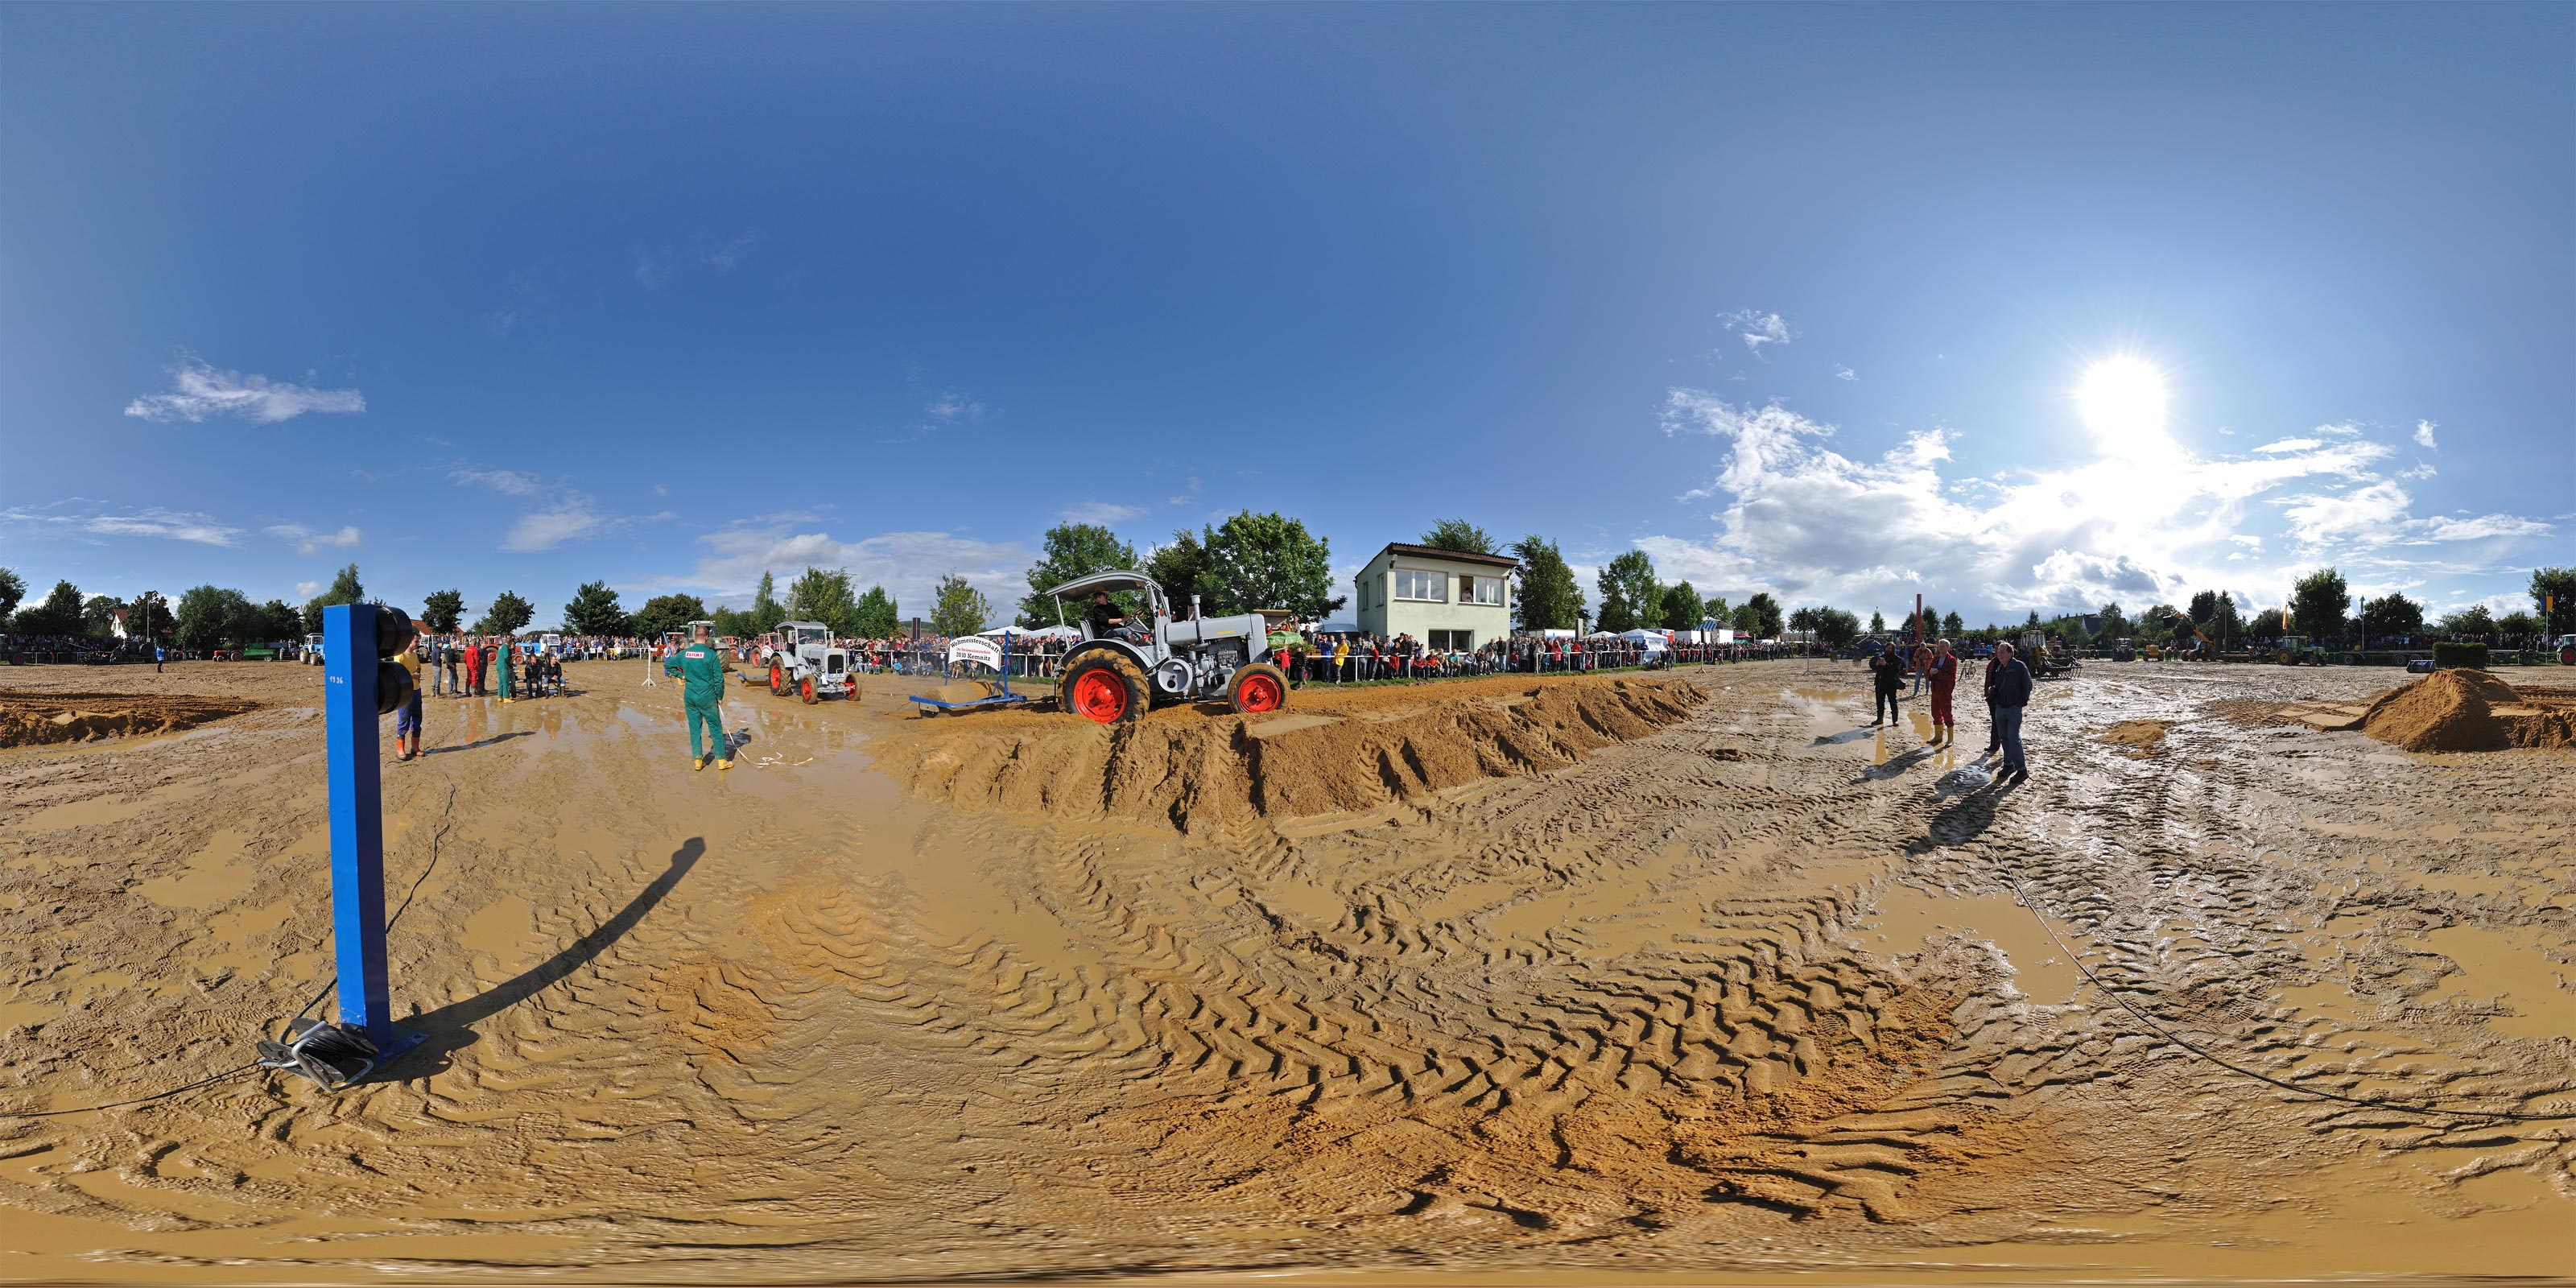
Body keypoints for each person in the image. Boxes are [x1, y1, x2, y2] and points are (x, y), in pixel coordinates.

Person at [667, 623, 731, 770]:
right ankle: (722, 761)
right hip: (707, 695)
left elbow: (668, 665)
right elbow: (719, 679)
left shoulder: (684, 653)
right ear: (707, 637)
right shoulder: (711, 655)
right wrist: (719, 696)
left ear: (695, 637)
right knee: (715, 727)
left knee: (695, 728)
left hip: (690, 694)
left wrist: (680, 675)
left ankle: (698, 760)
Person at [1988, 641, 2034, 785]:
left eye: (2002, 652)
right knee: (2004, 738)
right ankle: (2009, 765)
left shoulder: (2019, 666)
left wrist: (2020, 703)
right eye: (1998, 652)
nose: (1999, 655)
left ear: (2010, 653)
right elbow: (1999, 684)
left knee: (2013, 738)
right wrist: (1993, 689)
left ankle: (2022, 770)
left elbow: (2028, 685)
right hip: (2000, 708)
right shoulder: (2000, 668)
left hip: (2013, 709)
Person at [391, 634, 426, 761]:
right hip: (405, 692)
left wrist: (417, 673)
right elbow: (396, 674)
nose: (418, 643)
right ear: (409, 641)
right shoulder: (400, 656)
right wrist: (412, 675)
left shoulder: (415, 655)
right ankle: (400, 750)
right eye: (416, 641)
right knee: (404, 719)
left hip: (417, 691)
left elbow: (419, 666)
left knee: (417, 719)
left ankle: (415, 748)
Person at [1925, 638, 1960, 745]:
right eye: (1940, 646)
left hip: (1945, 691)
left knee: (1947, 714)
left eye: (1943, 646)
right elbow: (1928, 671)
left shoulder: (1952, 660)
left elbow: (1951, 676)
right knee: (1935, 712)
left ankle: (1950, 739)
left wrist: (1938, 673)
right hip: (1935, 689)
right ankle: (1938, 736)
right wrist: (1930, 672)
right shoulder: (1936, 658)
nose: (1941, 648)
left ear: (1948, 648)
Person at [1870, 645, 1903, 727]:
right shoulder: (1882, 657)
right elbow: (1877, 670)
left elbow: (1896, 671)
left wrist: (1886, 665)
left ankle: (1895, 721)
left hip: (1891, 683)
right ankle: (1879, 719)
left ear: (1893, 649)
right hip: (1880, 682)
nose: (1888, 650)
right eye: (1887, 648)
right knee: (1880, 702)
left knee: (1893, 702)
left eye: (1890, 648)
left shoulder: (1897, 659)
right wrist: (1877, 664)